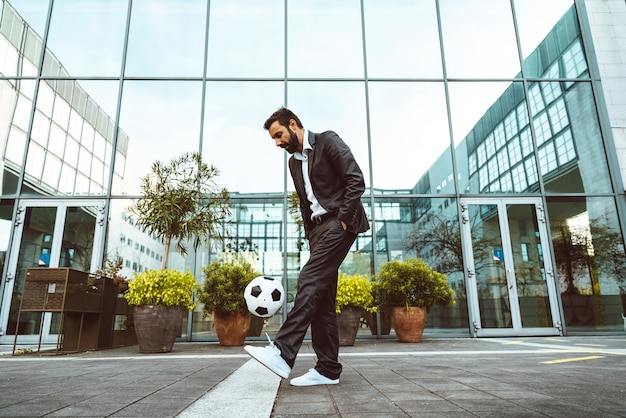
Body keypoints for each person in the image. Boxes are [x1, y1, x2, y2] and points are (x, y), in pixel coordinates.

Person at [245, 107, 370, 386]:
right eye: (274, 139)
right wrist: (310, 234)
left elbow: (355, 179)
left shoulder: (327, 141)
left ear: (293, 124)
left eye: (279, 135)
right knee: (322, 299)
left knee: (309, 279)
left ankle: (282, 352)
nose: (277, 142)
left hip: (340, 223)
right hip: (319, 231)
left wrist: (344, 221)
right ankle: (327, 369)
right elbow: (305, 202)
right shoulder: (293, 163)